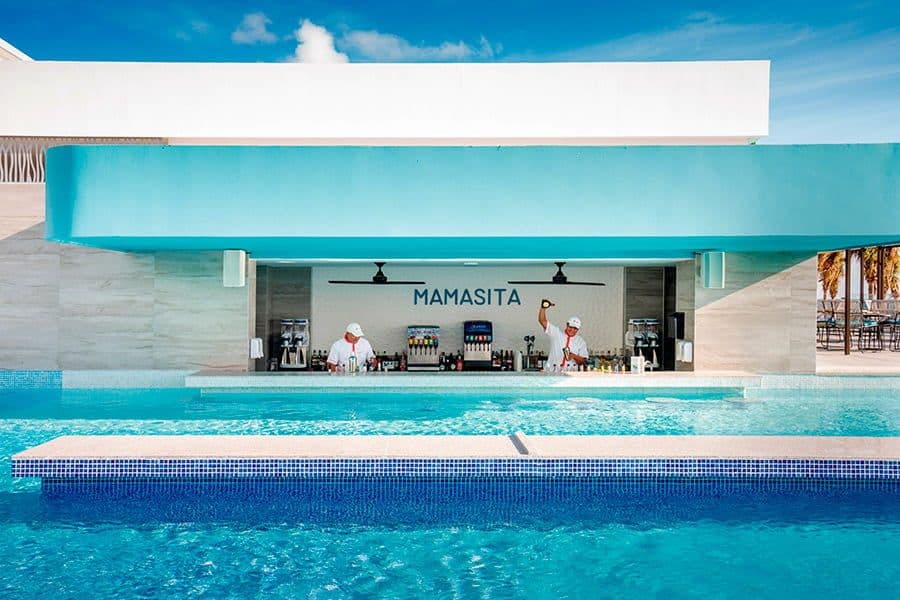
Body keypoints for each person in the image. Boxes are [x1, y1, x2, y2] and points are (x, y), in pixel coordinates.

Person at [538, 301, 588, 371]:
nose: (572, 330)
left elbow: (584, 362)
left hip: (570, 374)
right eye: (570, 327)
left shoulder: (580, 341)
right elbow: (542, 321)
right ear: (567, 325)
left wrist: (574, 356)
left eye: (575, 328)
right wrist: (543, 308)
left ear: (578, 329)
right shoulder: (556, 333)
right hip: (552, 372)